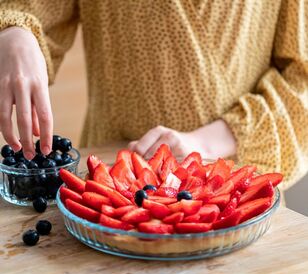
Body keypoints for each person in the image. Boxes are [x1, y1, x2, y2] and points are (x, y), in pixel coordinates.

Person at [0, 0, 307, 191]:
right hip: (111, 186)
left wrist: (205, 143)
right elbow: (30, 9)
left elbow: (301, 79)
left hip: (235, 192)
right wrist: (14, 32)